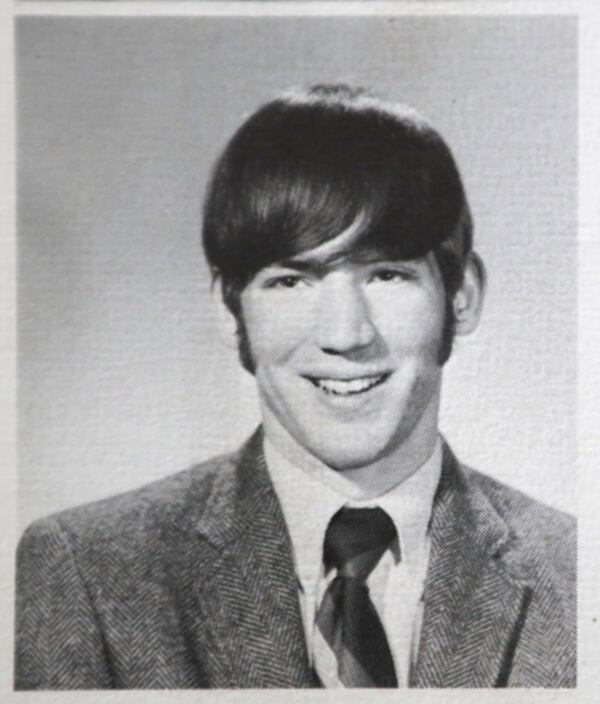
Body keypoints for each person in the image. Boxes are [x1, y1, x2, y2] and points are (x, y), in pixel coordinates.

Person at [15, 84, 576, 689]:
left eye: (387, 274)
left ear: (462, 297)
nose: (345, 335)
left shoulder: (576, 573)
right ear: (230, 311)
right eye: (291, 282)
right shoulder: (89, 573)